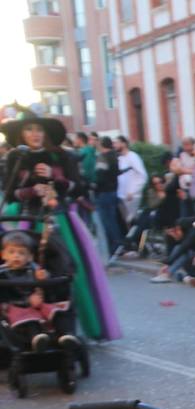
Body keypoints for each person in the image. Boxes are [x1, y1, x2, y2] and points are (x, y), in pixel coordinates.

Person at [1, 104, 120, 341]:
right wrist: (32, 189)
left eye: (39, 129)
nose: (35, 134)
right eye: (29, 129)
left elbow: (79, 188)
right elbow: (10, 192)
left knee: (69, 270)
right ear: (22, 134)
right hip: (29, 221)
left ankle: (70, 325)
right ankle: (32, 328)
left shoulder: (61, 155)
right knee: (26, 273)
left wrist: (56, 179)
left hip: (61, 219)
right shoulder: (16, 156)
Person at [0, 227, 75, 354]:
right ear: (3, 255)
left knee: (57, 313)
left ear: (29, 257)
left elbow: (49, 284)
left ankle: (65, 335)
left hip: (40, 304)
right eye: (11, 252)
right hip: (17, 307)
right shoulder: (2, 273)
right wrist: (26, 300)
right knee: (29, 320)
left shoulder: (34, 269)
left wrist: (44, 277)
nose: (16, 256)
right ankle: (37, 339)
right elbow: (4, 296)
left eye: (21, 253)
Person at [91, 136, 124, 252]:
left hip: (103, 193)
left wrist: (93, 185)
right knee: (112, 219)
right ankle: (118, 243)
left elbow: (99, 176)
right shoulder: (114, 156)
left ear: (101, 145)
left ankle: (111, 246)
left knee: (105, 222)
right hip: (113, 191)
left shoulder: (102, 157)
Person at [113, 135, 148, 226]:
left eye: (116, 143)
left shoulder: (133, 157)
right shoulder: (119, 158)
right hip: (121, 196)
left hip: (131, 196)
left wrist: (133, 191)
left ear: (124, 144)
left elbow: (143, 176)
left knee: (133, 222)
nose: (114, 145)